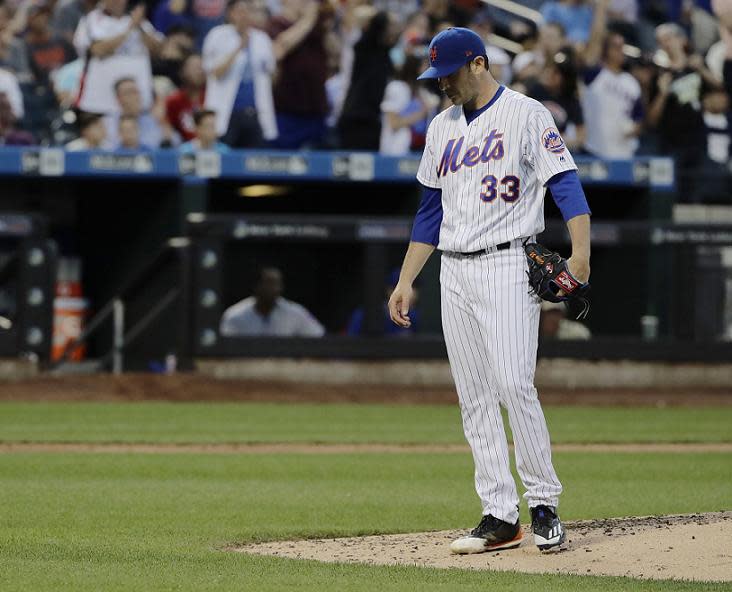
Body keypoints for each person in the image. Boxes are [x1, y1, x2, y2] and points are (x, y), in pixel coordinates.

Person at [388, 27, 591, 554]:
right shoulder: (439, 128)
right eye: (437, 76)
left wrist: (581, 252)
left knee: (514, 384)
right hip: (451, 270)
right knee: (474, 396)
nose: (443, 84)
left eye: (449, 74)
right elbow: (429, 211)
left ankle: (544, 504)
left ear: (478, 63)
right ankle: (499, 515)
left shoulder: (526, 113)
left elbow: (564, 182)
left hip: (507, 261)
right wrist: (406, 278)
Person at [201, 0, 277, 147]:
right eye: (240, 11)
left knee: (254, 161)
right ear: (230, 13)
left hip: (255, 112)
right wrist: (239, 48)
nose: (245, 15)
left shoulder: (262, 39)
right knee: (225, 159)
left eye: (249, 11)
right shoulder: (217, 36)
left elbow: (271, 74)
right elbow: (215, 73)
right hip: (226, 112)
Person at [73, 0, 162, 115]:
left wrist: (139, 26)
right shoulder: (91, 20)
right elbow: (98, 50)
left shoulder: (138, 21)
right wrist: (129, 29)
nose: (118, 2)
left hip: (139, 98)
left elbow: (158, 50)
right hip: (100, 101)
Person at [580, 0, 643, 158]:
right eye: (616, 47)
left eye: (622, 47)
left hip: (624, 153)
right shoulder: (595, 74)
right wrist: (600, 10)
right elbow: (594, 45)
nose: (621, 51)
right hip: (594, 149)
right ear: (606, 50)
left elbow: (638, 117)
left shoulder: (632, 82)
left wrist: (635, 128)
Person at [268, 0, 330, 149]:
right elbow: (278, 50)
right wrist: (308, 19)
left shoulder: (316, 28)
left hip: (315, 108)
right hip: (287, 109)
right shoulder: (276, 24)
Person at [220, 267, 325, 337]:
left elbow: (319, 336)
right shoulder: (235, 315)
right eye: (269, 283)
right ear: (257, 286)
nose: (274, 289)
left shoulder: (296, 312)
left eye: (277, 284)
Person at [103, 77, 165, 149]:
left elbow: (167, 144)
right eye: (130, 92)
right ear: (118, 99)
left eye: (136, 92)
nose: (135, 96)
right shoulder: (107, 124)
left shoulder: (152, 120)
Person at [165, 53, 206, 141]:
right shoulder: (174, 101)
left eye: (201, 67)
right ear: (183, 71)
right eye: (195, 68)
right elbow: (168, 129)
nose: (200, 71)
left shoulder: (212, 97)